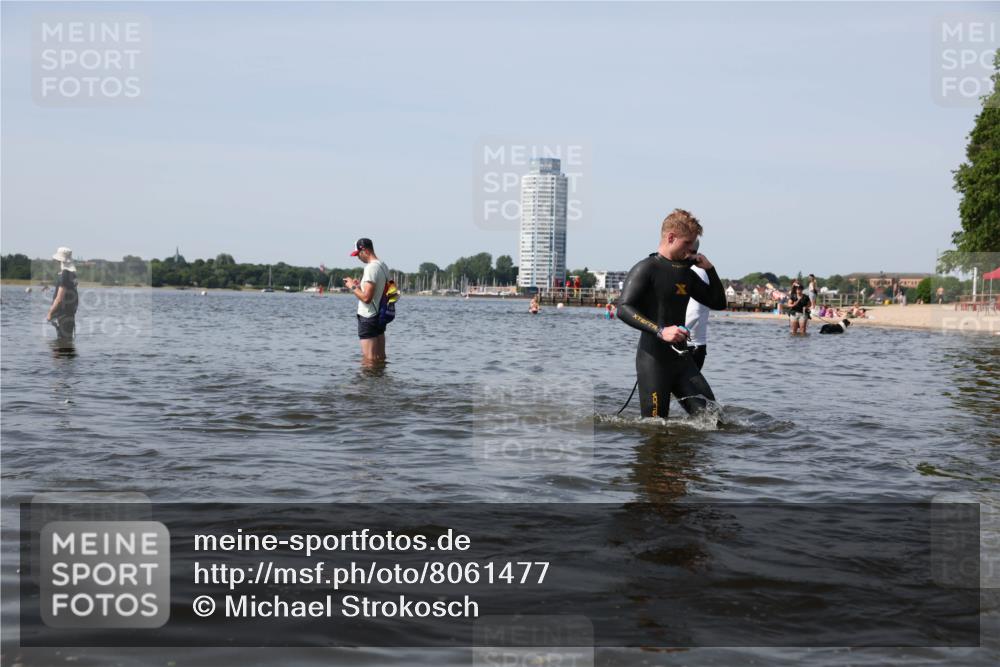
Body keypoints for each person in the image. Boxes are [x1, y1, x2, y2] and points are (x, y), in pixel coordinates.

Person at [617, 209, 726, 419]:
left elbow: (718, 302)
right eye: (687, 243)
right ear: (671, 237)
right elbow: (623, 308)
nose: (691, 250)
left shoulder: (687, 273)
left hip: (682, 360)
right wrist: (660, 331)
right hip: (653, 360)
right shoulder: (646, 268)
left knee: (714, 418)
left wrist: (710, 270)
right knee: (656, 429)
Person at [343, 238, 388, 363]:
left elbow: (367, 298)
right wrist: (359, 287)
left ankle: (367, 383)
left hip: (368, 317)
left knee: (369, 360)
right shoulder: (382, 266)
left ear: (365, 251)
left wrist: (352, 286)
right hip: (380, 316)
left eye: (358, 254)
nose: (358, 257)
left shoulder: (370, 268)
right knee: (380, 359)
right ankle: (380, 381)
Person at [684, 238, 710, 371]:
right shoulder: (686, 269)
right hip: (686, 344)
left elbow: (695, 312)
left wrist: (670, 335)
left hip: (690, 347)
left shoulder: (697, 271)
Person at [45, 247, 79, 340]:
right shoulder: (71, 274)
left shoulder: (64, 275)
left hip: (63, 315)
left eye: (56, 260)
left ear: (60, 261)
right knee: (66, 344)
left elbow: (59, 298)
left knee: (62, 346)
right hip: (70, 315)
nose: (55, 262)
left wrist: (50, 313)